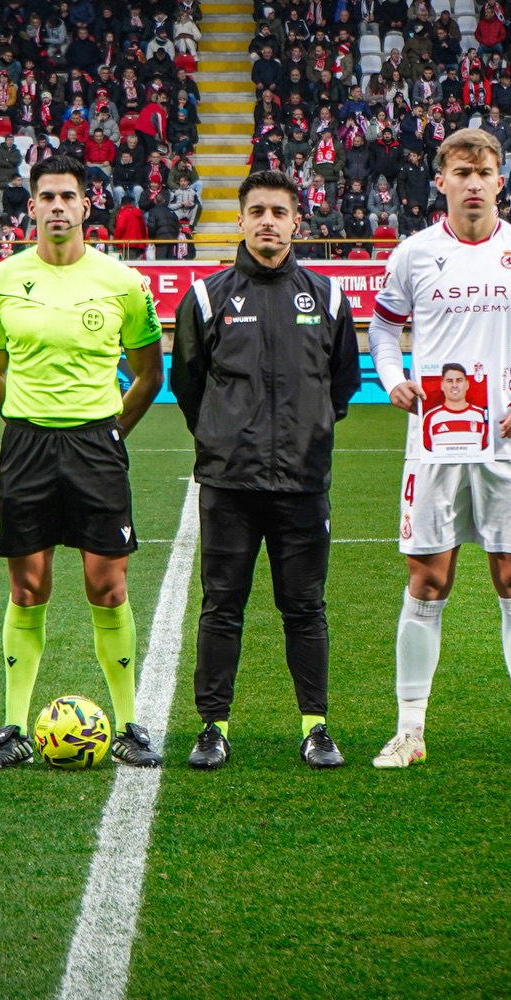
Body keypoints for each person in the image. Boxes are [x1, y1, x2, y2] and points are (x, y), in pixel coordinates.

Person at [367, 128, 511, 771]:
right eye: (462, 171)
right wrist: (394, 378)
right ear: (441, 179)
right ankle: (409, 731)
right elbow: (382, 325)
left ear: (501, 179)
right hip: (432, 442)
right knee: (428, 579)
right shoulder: (414, 253)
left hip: (509, 440)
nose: (475, 182)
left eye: (485, 171)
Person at [0, 155, 166, 769]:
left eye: (68, 196)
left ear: (88, 206)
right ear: (30, 207)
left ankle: (130, 724)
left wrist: (111, 432)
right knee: (28, 586)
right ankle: (12, 727)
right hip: (26, 445)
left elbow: (148, 374)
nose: (57, 206)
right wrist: (23, 419)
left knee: (106, 587)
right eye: (46, 196)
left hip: (95, 447)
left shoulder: (123, 282)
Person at [170, 169, 360, 771]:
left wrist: (308, 434)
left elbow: (343, 384)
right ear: (241, 220)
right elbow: (188, 384)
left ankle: (316, 726)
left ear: (297, 221)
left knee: (305, 607)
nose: (268, 222)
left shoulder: (327, 296)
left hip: (303, 482)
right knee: (221, 605)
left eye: (279, 212)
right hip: (229, 483)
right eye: (257, 212)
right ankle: (212, 728)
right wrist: (226, 435)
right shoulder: (207, 297)